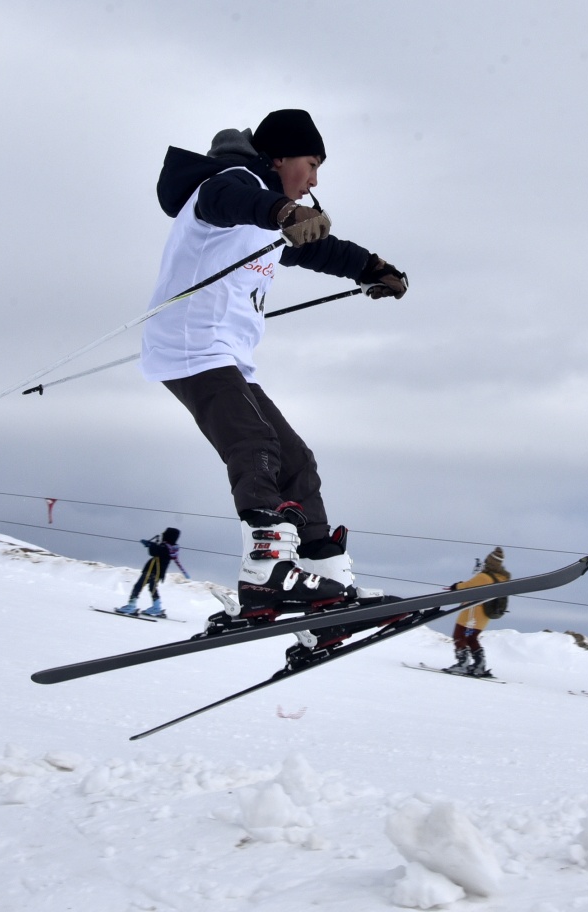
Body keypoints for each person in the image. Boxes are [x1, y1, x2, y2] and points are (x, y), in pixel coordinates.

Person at [140, 110, 407, 628]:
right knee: (255, 447)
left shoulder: (267, 213)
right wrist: (282, 210)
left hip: (228, 358)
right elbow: (236, 202)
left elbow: (318, 249)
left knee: (295, 460)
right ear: (280, 158)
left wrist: (369, 267)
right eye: (311, 164)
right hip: (192, 347)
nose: (314, 180)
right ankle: (265, 573)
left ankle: (325, 581)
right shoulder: (228, 186)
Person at [441, 548, 511, 677]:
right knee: (472, 638)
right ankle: (479, 664)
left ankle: (462, 664)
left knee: (459, 636)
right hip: (484, 616)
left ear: (489, 562)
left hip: (472, 614)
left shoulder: (484, 577)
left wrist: (455, 586)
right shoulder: (502, 578)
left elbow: (467, 586)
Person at [116, 528, 188, 617]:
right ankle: (156, 607)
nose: (163, 535)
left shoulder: (165, 547)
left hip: (152, 571)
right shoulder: (171, 548)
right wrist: (152, 545)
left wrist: (150, 544)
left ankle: (131, 605)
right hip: (157, 572)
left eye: (165, 534)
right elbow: (157, 550)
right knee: (152, 588)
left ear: (168, 536)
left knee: (138, 586)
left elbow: (154, 551)